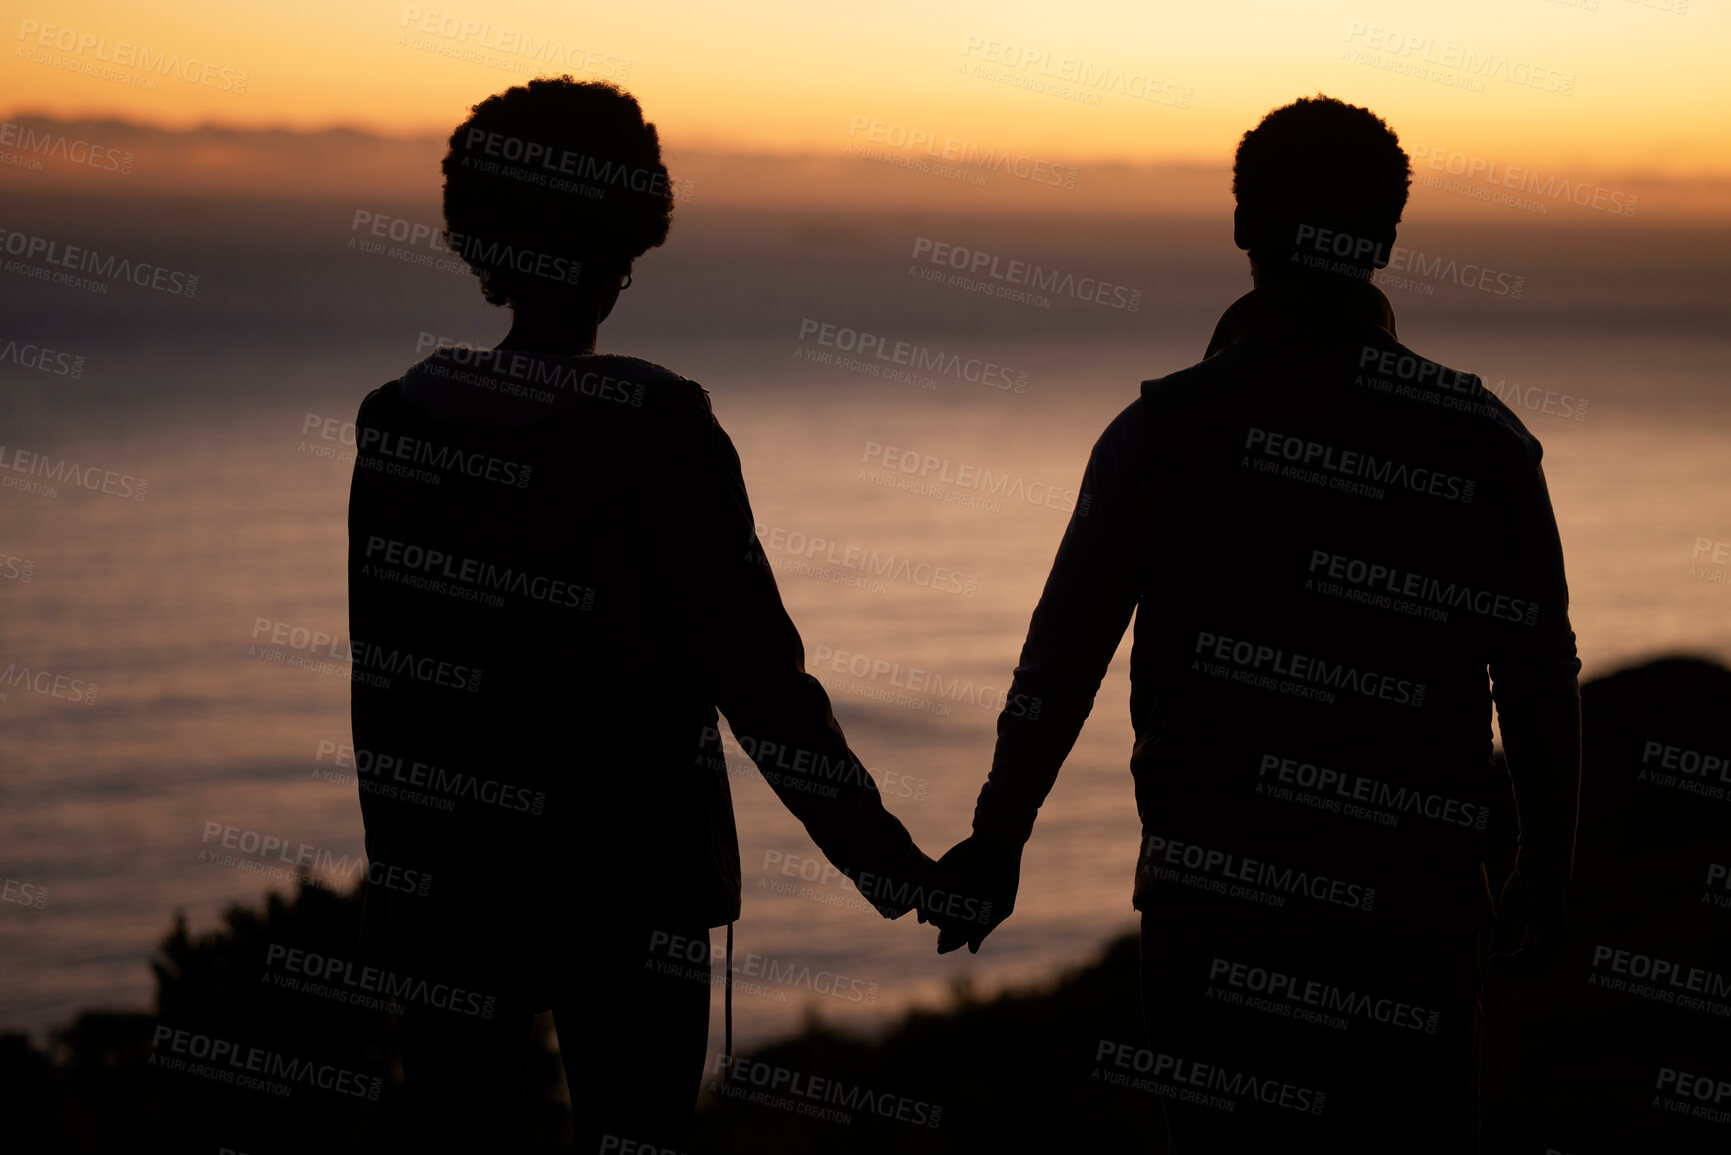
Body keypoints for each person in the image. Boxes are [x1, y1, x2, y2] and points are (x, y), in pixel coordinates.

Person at [927, 95, 1582, 1152]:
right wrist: (1545, 866)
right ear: (1388, 238)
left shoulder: (1156, 434)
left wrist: (1000, 841)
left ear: (1242, 228)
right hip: (1413, 916)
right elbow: (1538, 672)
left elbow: (1062, 660)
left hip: (1211, 916)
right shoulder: (1482, 439)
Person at [347, 76, 939, 1152]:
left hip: (454, 887)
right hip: (635, 881)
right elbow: (758, 676)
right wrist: (887, 862)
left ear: (480, 238)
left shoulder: (395, 424)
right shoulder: (660, 426)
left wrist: (402, 897)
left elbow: (385, 686)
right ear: (624, 244)